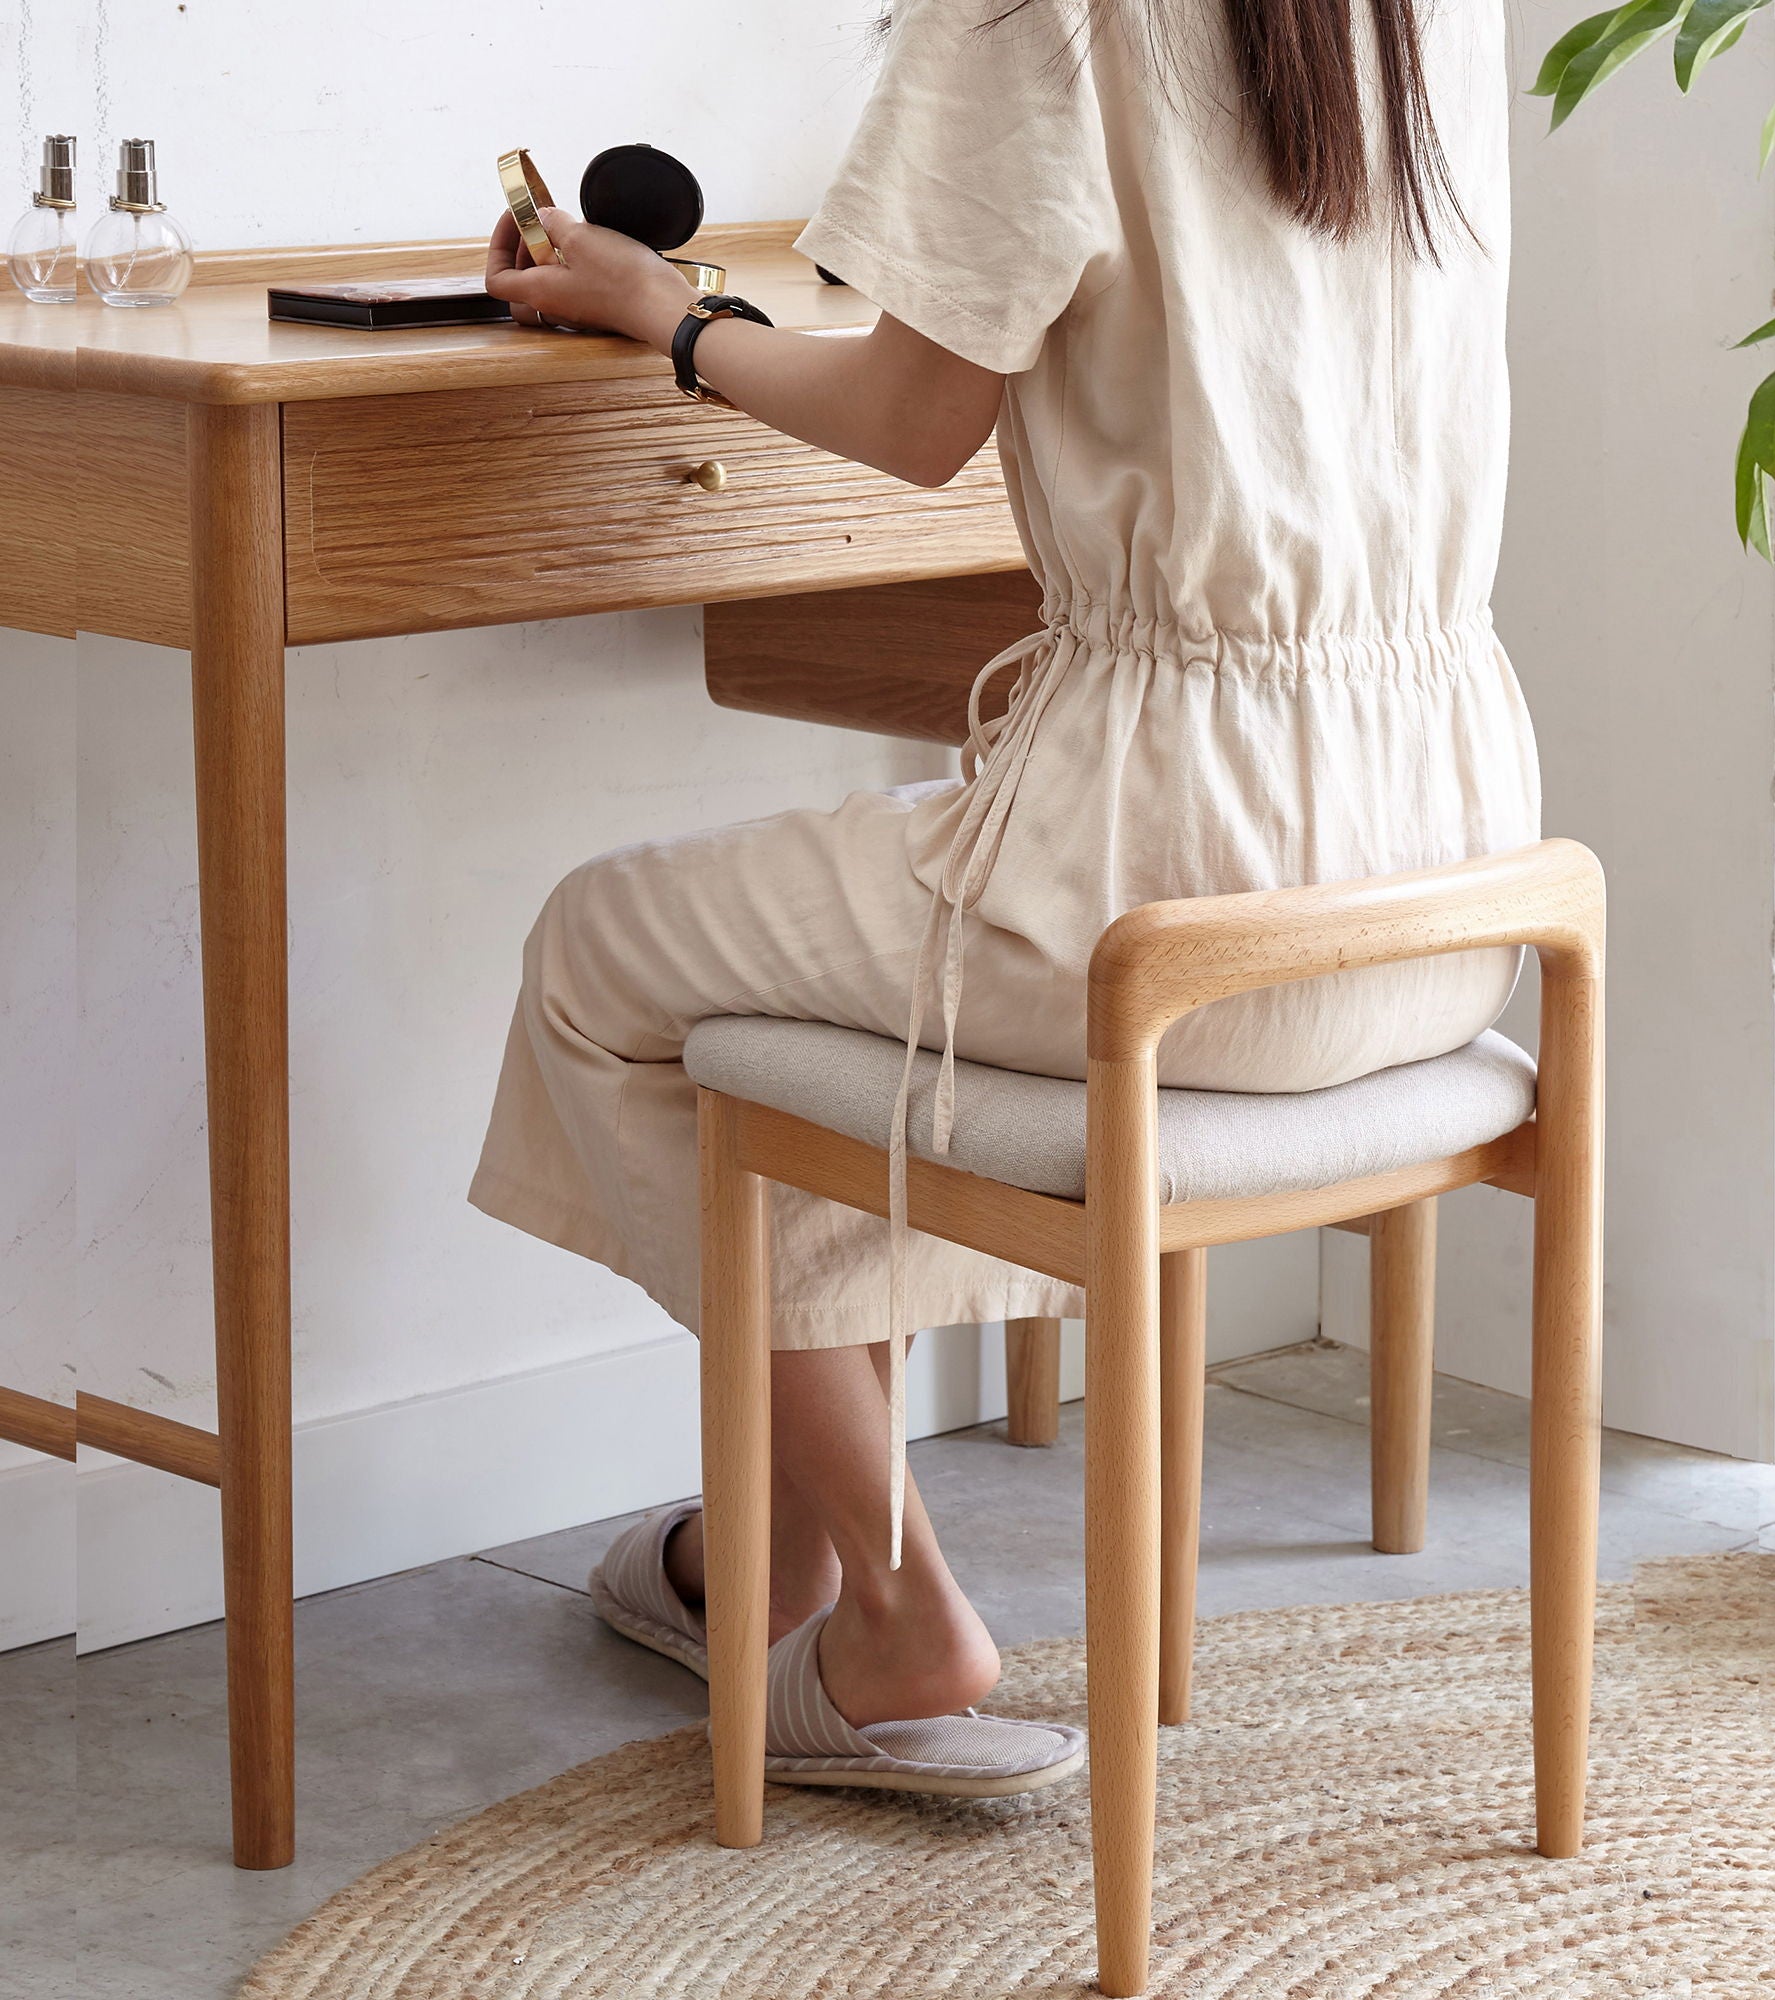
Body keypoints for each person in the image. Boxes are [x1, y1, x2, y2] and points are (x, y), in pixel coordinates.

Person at [473, 0, 1537, 1796]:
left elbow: (910, 416)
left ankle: (888, 1606)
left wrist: (679, 318)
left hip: (1176, 889)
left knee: (606, 952)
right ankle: (775, 1552)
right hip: (1447, 874)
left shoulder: (1044, 15)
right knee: (842, 976)